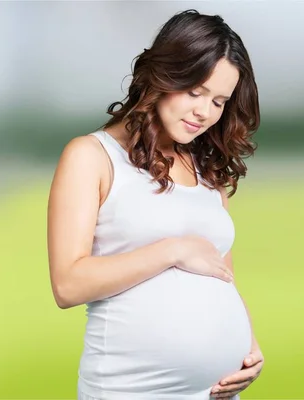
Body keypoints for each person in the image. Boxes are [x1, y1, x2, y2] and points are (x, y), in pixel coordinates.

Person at [47, 9, 264, 400]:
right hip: (129, 389)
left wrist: (250, 346)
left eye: (219, 101)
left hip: (217, 393)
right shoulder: (92, 156)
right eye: (195, 91)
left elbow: (223, 276)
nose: (204, 112)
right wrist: (172, 250)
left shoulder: (206, 168)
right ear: (163, 76)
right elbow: (68, 284)